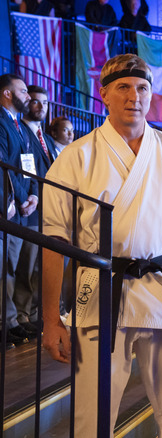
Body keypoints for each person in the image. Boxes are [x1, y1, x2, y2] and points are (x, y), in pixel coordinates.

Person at [40, 54, 162, 437]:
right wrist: (51, 318)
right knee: (92, 418)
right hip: (102, 294)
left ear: (151, 95)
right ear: (104, 94)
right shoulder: (77, 157)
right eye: (122, 87)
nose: (133, 96)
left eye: (142, 88)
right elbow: (54, 240)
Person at [14, 85, 57, 334]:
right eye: (36, 102)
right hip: (30, 209)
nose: (41, 107)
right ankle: (20, 316)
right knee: (25, 267)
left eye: (45, 102)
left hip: (49, 213)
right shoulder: (21, 132)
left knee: (40, 269)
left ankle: (33, 314)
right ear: (27, 103)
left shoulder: (47, 139)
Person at [0, 74, 39, 347]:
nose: (29, 96)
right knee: (6, 269)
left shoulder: (22, 127)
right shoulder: (1, 122)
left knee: (16, 268)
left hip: (25, 206)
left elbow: (29, 165)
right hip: (10, 209)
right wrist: (12, 201)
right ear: (6, 94)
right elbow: (2, 164)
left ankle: (13, 321)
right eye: (23, 91)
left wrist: (35, 195)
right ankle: (7, 323)